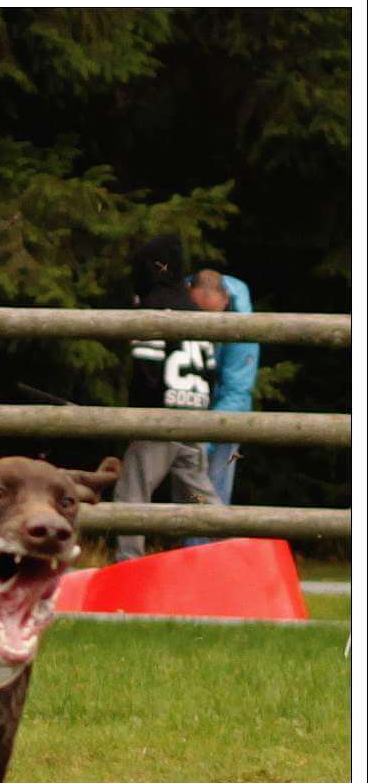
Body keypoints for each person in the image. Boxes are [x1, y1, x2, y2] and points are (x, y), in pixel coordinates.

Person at [112, 235, 222, 563]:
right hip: (193, 415)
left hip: (160, 418)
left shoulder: (152, 308)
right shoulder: (196, 312)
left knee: (132, 494)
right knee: (201, 496)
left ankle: (128, 563)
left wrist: (139, 417)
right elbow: (210, 373)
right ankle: (238, 558)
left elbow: (146, 371)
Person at [183, 268, 259, 546]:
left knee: (212, 491)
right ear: (189, 295)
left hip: (225, 416)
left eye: (212, 315)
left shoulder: (243, 325)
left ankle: (204, 557)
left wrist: (207, 438)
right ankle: (187, 556)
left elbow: (237, 391)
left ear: (225, 300)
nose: (206, 325)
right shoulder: (176, 301)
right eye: (199, 313)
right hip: (184, 406)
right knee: (187, 491)